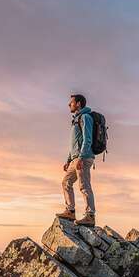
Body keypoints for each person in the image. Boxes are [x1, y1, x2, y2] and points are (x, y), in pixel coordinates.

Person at [56, 93, 96, 226]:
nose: (69, 104)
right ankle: (70, 211)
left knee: (84, 186)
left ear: (78, 104)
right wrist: (68, 160)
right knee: (66, 182)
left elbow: (87, 139)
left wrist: (81, 157)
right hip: (75, 159)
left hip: (83, 158)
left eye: (71, 102)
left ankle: (90, 216)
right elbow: (74, 144)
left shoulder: (85, 117)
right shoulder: (76, 119)